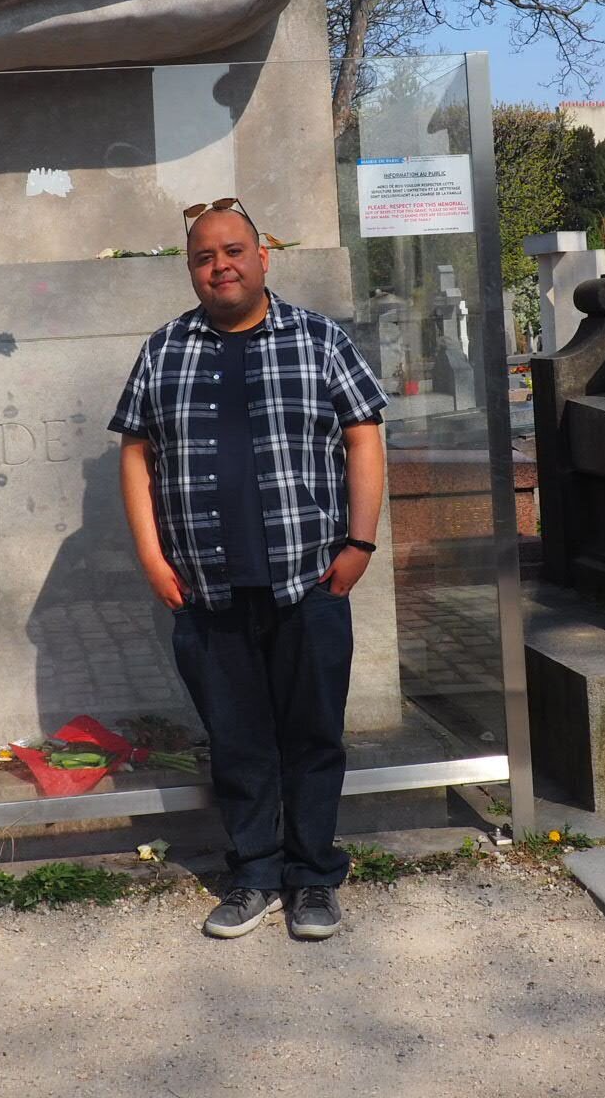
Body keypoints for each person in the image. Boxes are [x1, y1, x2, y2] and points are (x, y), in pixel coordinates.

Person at [111, 198, 387, 940]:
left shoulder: (320, 338)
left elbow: (364, 435)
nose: (220, 266)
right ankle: (256, 873)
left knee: (314, 737)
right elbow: (136, 453)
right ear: (190, 269)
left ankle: (314, 877)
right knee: (237, 741)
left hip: (310, 579)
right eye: (204, 257)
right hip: (206, 587)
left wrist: (359, 545)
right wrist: (151, 557)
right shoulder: (164, 350)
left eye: (233, 251)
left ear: (263, 257)